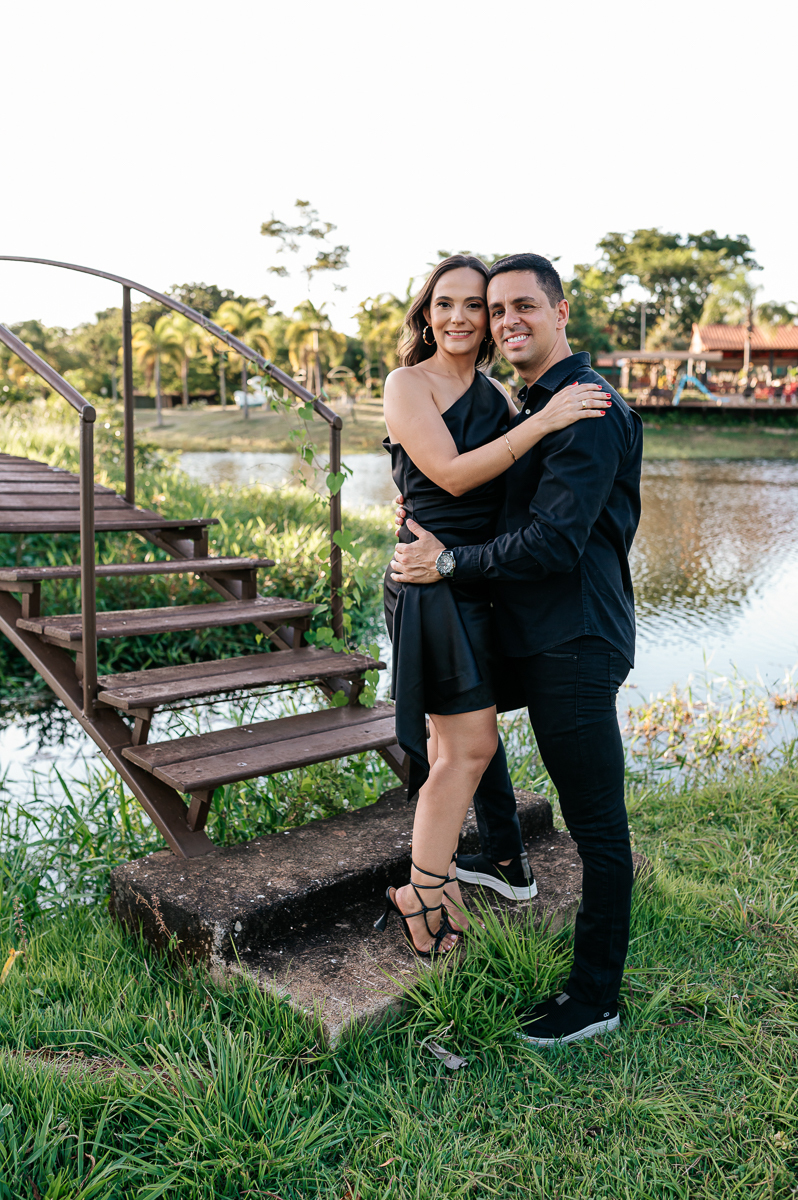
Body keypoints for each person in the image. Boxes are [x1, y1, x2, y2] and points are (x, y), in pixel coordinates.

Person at [391, 253, 643, 1043]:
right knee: (462, 736)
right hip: (521, 626)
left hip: (574, 636)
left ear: (561, 312)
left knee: (597, 827)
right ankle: (497, 859)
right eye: (495, 310)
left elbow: (554, 543)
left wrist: (454, 558)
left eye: (518, 306)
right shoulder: (527, 401)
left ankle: (595, 997)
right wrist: (421, 492)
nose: (503, 321)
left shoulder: (587, 407)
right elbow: (485, 490)